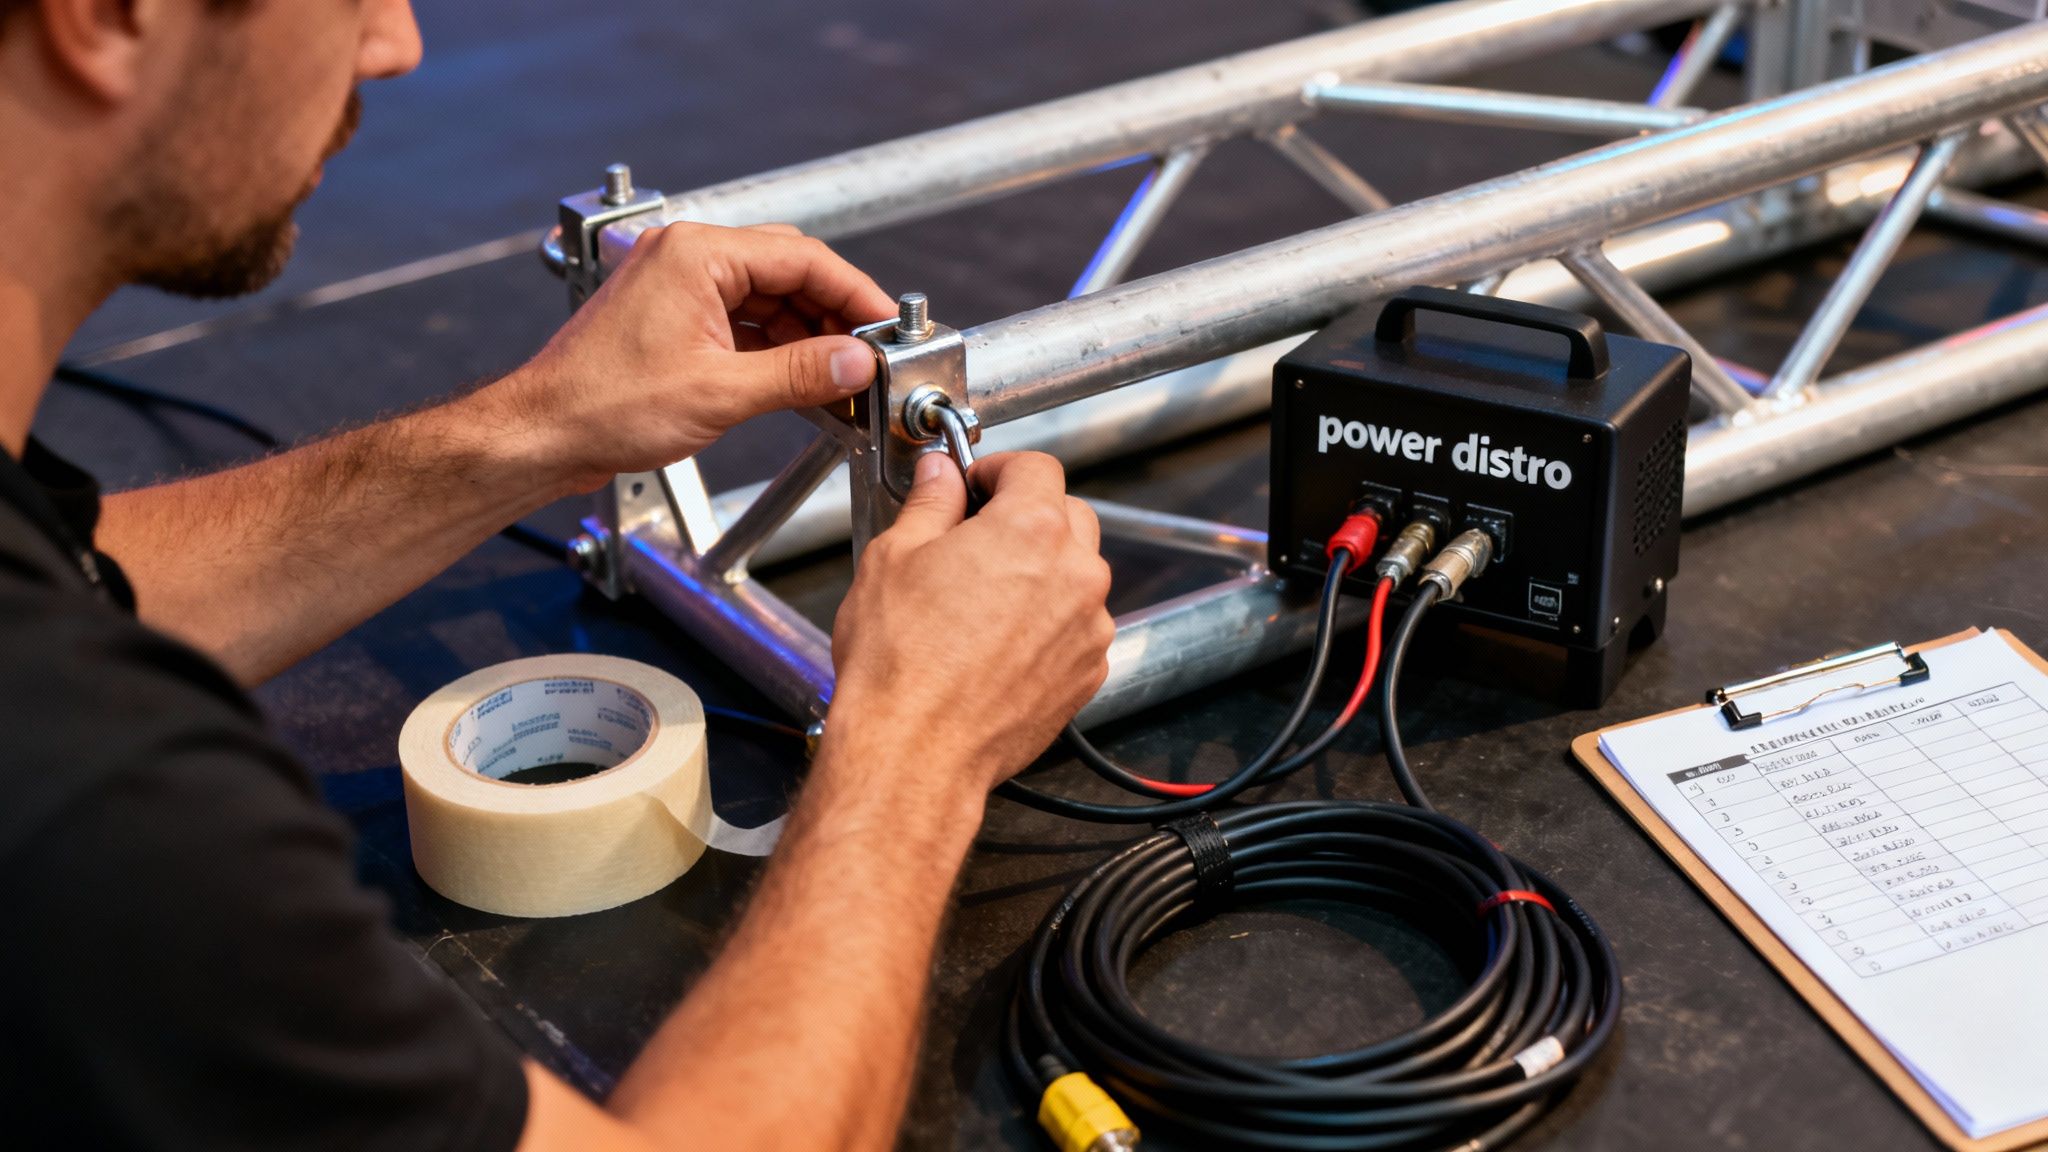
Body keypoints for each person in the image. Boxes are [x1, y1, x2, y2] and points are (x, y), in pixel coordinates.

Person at [0, 1, 1118, 1148]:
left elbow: (66, 573)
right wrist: (920, 744)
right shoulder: (92, 819)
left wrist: (538, 429)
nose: (397, 42)